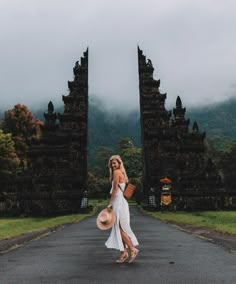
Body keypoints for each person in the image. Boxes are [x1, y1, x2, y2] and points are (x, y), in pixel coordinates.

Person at [105, 155, 139, 263]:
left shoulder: (116, 173)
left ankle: (132, 249)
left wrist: (110, 203)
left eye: (115, 163)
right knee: (120, 227)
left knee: (119, 228)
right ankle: (124, 252)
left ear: (119, 163)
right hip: (121, 202)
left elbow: (115, 189)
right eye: (111, 163)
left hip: (118, 202)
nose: (113, 165)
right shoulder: (122, 172)